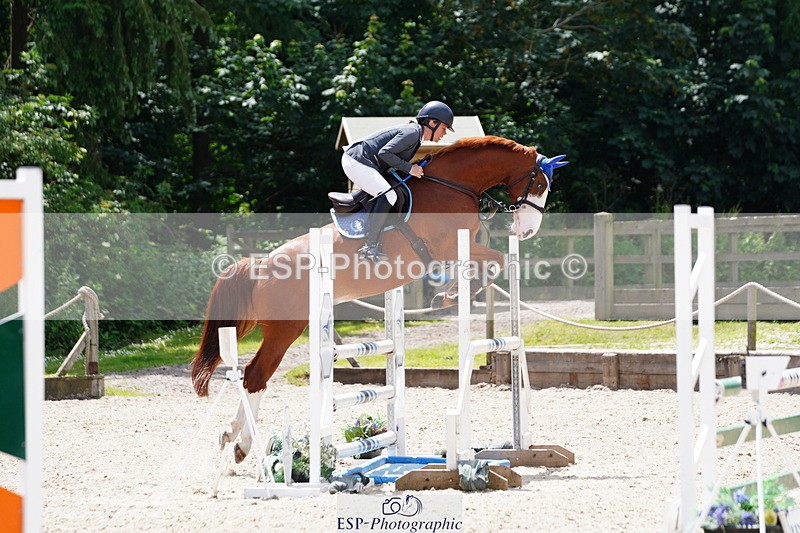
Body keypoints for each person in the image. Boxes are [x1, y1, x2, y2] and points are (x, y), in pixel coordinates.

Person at [342, 100, 454, 263]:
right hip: (357, 160)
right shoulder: (412, 133)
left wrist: (411, 167)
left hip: (365, 161)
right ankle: (369, 246)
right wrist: (410, 169)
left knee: (395, 192)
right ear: (432, 123)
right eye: (443, 128)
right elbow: (384, 153)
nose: (444, 134)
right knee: (389, 195)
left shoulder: (416, 136)